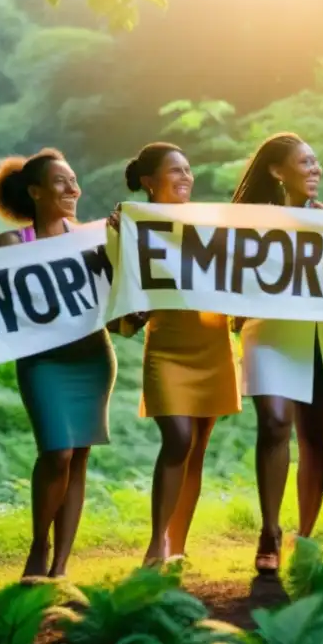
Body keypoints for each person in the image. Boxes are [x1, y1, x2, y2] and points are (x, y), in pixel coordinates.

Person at [0, 148, 116, 579]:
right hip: (42, 364)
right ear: (34, 192)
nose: (73, 189)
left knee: (79, 457)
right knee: (57, 452)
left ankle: (61, 567)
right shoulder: (11, 245)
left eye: (74, 181)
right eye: (61, 182)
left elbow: (118, 293)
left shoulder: (92, 237)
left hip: (92, 358)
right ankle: (38, 546)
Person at [113, 142, 241, 566]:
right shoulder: (131, 226)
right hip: (167, 348)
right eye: (175, 171)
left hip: (213, 344)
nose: (186, 177)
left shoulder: (210, 222)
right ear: (148, 182)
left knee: (197, 448)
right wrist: (118, 235)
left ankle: (178, 544)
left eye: (188, 170)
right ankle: (157, 544)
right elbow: (120, 311)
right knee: (178, 439)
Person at [229, 133, 323, 574]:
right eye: (304, 162)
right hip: (271, 334)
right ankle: (270, 530)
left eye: (317, 162)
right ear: (278, 171)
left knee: (314, 437)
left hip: (320, 338)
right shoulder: (249, 220)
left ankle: (306, 535)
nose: (315, 169)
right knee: (276, 423)